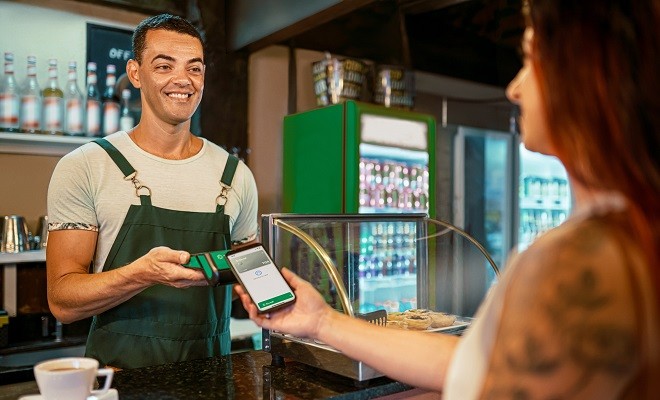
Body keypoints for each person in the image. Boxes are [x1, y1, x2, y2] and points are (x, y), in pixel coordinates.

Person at [236, 1, 659, 398]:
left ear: (585, 73)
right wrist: (323, 321)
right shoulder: (631, 231)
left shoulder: (578, 259)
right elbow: (474, 365)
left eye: (531, 59)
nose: (515, 88)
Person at [46, 14, 259, 369]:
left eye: (195, 68)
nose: (182, 80)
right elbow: (62, 302)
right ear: (135, 72)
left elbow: (254, 277)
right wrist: (141, 273)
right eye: (164, 66)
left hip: (212, 381)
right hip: (121, 379)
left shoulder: (235, 175)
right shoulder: (86, 165)